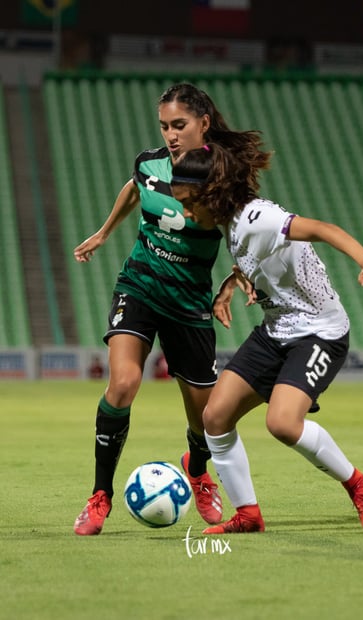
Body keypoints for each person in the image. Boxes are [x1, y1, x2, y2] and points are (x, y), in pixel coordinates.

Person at [171, 143, 363, 534]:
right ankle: (247, 515)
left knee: (282, 423)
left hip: (319, 332)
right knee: (214, 417)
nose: (188, 214)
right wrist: (231, 283)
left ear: (213, 193)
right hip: (276, 331)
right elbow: (258, 259)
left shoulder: (259, 216)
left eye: (191, 203)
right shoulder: (232, 224)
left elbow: (321, 229)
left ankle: (358, 484)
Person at [72, 83, 270, 536]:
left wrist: (238, 278)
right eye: (164, 126)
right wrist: (104, 232)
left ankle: (197, 471)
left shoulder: (225, 177)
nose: (170, 135)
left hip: (189, 303)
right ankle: (100, 495)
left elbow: (250, 233)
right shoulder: (149, 163)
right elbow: (135, 188)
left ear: (204, 122)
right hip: (139, 286)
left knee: (203, 416)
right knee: (122, 383)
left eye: (179, 125)